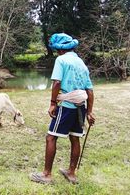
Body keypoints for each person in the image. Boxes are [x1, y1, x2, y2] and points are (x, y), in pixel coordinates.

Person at [30, 33, 95, 184]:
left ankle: (46, 175)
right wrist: (90, 112)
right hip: (81, 107)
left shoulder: (61, 60)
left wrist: (53, 103)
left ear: (60, 49)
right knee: (75, 138)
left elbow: (57, 83)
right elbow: (90, 90)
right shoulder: (81, 63)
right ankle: (71, 173)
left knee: (51, 137)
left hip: (66, 106)